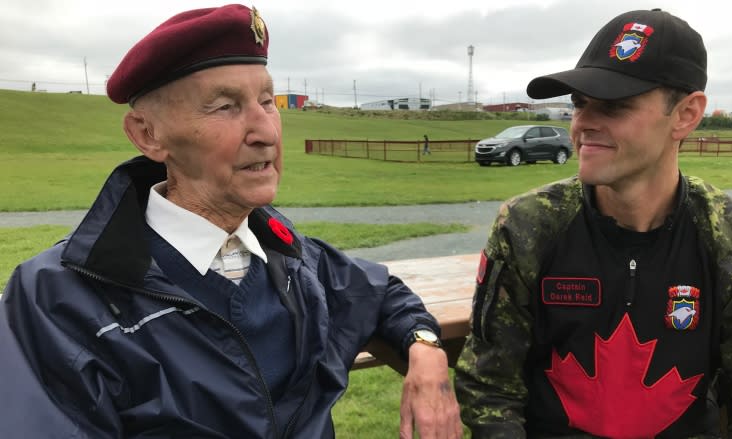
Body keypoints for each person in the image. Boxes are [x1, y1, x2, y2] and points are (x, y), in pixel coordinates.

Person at [0, 5, 461, 438]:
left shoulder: (292, 261)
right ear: (148, 135)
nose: (265, 132)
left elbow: (379, 292)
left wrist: (425, 349)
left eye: (267, 100)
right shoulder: (55, 300)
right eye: (225, 106)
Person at [455, 8, 732, 438]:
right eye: (579, 103)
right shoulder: (528, 226)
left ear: (685, 114)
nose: (584, 122)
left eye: (614, 105)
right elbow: (490, 388)